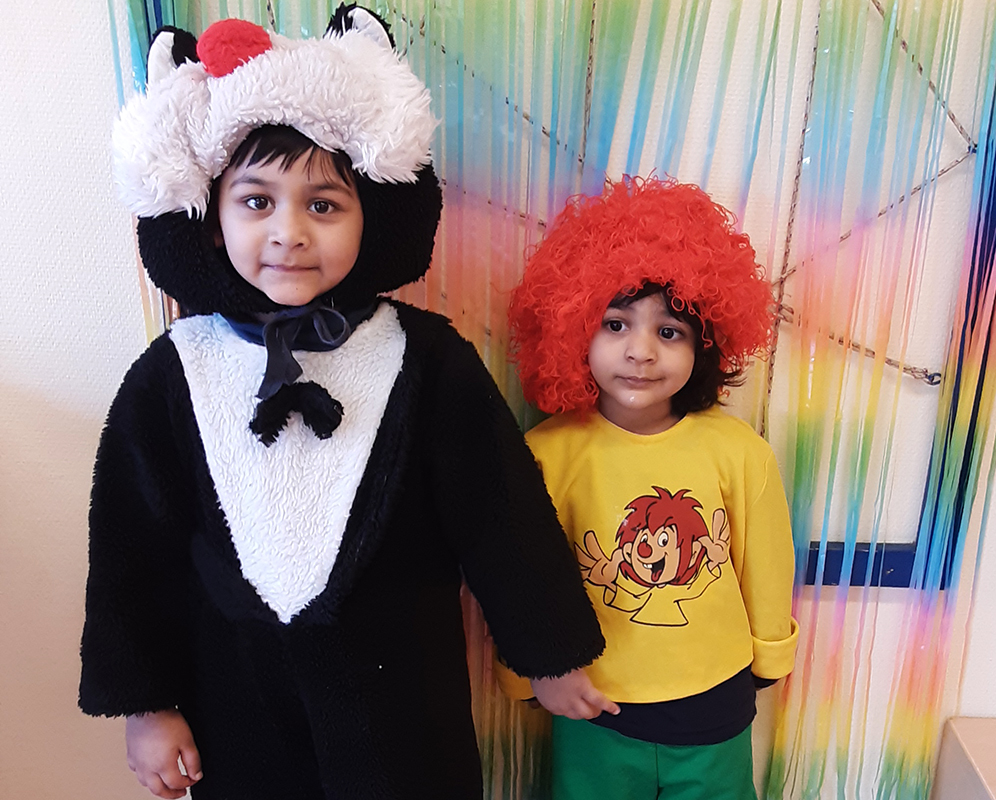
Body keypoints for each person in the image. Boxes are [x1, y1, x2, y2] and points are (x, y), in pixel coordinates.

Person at [80, 6, 606, 799]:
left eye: (323, 204)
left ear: (372, 214)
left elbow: (500, 512)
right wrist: (146, 707)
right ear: (211, 216)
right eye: (256, 202)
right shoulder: (172, 374)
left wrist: (551, 653)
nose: (289, 232)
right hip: (236, 701)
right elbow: (131, 550)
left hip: (405, 698)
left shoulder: (427, 358)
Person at [502, 176, 800, 799]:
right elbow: (521, 578)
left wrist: (770, 655)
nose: (640, 352)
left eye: (669, 332)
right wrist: (524, 671)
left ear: (705, 344)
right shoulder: (546, 454)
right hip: (594, 703)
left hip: (715, 701)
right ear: (574, 329)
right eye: (615, 324)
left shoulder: (739, 451)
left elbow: (766, 561)